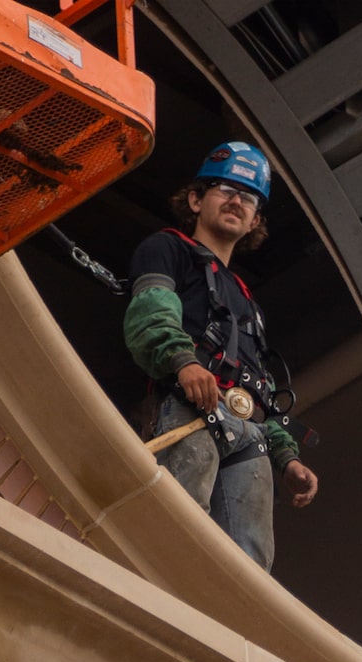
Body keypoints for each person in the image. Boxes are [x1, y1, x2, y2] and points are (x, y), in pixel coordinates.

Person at [123, 142, 317, 569]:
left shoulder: (248, 300)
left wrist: (286, 457)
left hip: (248, 432)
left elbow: (259, 386)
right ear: (195, 200)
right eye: (225, 189)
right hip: (190, 409)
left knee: (251, 561)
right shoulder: (168, 249)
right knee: (182, 528)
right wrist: (183, 361)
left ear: (255, 221)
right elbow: (151, 315)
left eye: (248, 197)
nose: (236, 201)